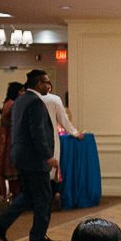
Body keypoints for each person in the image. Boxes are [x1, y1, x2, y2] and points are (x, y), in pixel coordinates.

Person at [0, 70, 62, 241]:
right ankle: (37, 237)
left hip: (20, 156)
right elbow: (37, 132)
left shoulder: (20, 100)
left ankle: (1, 223)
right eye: (46, 82)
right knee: (44, 198)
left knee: (29, 194)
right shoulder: (36, 102)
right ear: (39, 84)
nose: (48, 85)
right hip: (34, 158)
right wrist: (48, 156)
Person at [42, 80, 83, 208]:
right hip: (49, 140)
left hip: (29, 143)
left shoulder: (24, 100)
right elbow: (63, 120)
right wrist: (75, 133)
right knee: (50, 171)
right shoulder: (54, 100)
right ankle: (52, 198)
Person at [0, 82, 25, 202]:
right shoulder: (13, 104)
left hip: (8, 140)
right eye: (21, 91)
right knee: (15, 171)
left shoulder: (8, 103)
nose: (23, 93)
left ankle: (16, 196)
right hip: (13, 139)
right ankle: (17, 198)